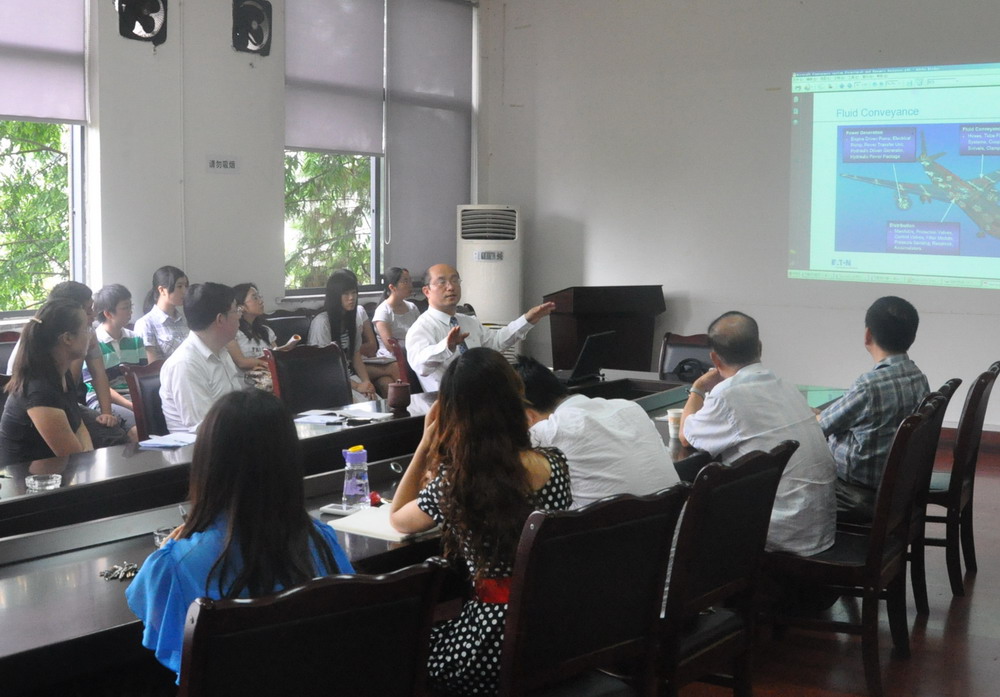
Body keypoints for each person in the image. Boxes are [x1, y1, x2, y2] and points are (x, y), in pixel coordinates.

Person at [125, 390, 353, 683]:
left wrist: (170, 548)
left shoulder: (175, 565)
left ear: (206, 463)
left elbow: (152, 617)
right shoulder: (321, 542)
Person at [390, 347, 572, 695]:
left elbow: (399, 518)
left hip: (492, 643)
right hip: (552, 632)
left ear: (454, 413)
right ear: (517, 395)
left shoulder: (459, 482)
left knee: (403, 649)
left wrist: (425, 443)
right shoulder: (556, 464)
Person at [680, 311, 836, 557]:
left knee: (686, 512)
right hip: (817, 524)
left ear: (714, 358)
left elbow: (685, 435)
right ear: (759, 347)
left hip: (780, 530)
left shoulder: (726, 395)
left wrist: (698, 388)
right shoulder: (785, 385)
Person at [513, 354, 679, 509]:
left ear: (528, 417)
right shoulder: (631, 407)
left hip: (609, 529)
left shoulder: (551, 429)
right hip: (672, 524)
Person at [818, 296, 930, 523]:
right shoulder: (918, 377)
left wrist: (815, 415)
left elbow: (819, 429)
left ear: (867, 335)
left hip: (855, 494)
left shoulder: (868, 386)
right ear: (912, 337)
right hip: (898, 486)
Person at [7, 281, 132, 447]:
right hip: (40, 415)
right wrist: (79, 353)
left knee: (113, 432)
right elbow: (72, 453)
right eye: (88, 310)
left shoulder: (64, 369)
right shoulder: (40, 379)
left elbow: (76, 411)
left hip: (63, 403)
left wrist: (106, 413)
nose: (94, 315)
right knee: (111, 438)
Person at [406, 263, 556, 392]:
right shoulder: (421, 328)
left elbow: (496, 342)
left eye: (455, 280)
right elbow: (420, 366)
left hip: (483, 394)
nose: (451, 287)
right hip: (448, 401)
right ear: (427, 291)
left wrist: (527, 319)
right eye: (442, 282)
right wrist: (447, 346)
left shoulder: (469, 321)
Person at [0, 299, 94, 464]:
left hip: (53, 471)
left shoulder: (62, 373)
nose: (90, 334)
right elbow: (71, 456)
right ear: (67, 338)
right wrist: (87, 458)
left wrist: (88, 456)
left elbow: (78, 425)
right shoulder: (39, 391)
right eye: (86, 329)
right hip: (26, 478)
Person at [159, 282, 244, 433]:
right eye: (236, 310)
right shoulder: (185, 363)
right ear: (220, 319)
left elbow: (238, 405)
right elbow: (204, 426)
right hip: (203, 445)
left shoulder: (221, 351)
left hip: (231, 436)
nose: (239, 316)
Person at [307, 269, 396, 400]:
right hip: (329, 382)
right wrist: (357, 386)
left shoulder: (351, 320)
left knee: (378, 403)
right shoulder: (322, 322)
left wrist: (366, 382)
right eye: (346, 294)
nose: (351, 298)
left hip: (350, 377)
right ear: (335, 296)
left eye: (354, 292)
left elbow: (356, 355)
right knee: (365, 408)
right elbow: (325, 367)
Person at [83, 284, 146, 432]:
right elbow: (97, 385)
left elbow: (142, 377)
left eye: (130, 306)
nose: (130, 311)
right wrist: (130, 405)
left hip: (133, 398)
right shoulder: (93, 342)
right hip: (102, 400)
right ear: (108, 313)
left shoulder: (135, 339)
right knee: (138, 428)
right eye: (125, 308)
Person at [225, 282, 299, 373]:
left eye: (259, 297)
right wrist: (265, 363)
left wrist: (286, 348)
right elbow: (241, 362)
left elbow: (275, 354)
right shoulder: (231, 333)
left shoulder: (266, 330)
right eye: (255, 298)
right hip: (246, 380)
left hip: (268, 377)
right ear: (241, 307)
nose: (261, 301)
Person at [133, 265, 190, 363]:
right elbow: (152, 367)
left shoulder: (185, 320)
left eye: (186, 286)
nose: (185, 291)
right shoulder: (146, 324)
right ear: (162, 290)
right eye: (179, 286)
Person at [372, 267, 421, 359]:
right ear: (392, 287)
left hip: (414, 354)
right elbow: (391, 347)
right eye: (405, 281)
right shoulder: (383, 311)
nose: (410, 285)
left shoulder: (412, 307)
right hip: (391, 358)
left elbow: (421, 333)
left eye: (410, 281)